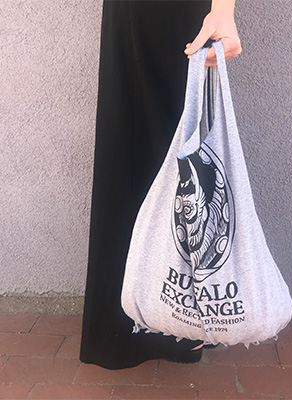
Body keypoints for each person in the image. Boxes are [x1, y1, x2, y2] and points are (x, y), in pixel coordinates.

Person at [80, 0, 242, 370]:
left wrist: (224, 10)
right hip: (135, 12)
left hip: (182, 12)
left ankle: (180, 320)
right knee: (132, 148)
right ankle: (132, 324)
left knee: (187, 155)